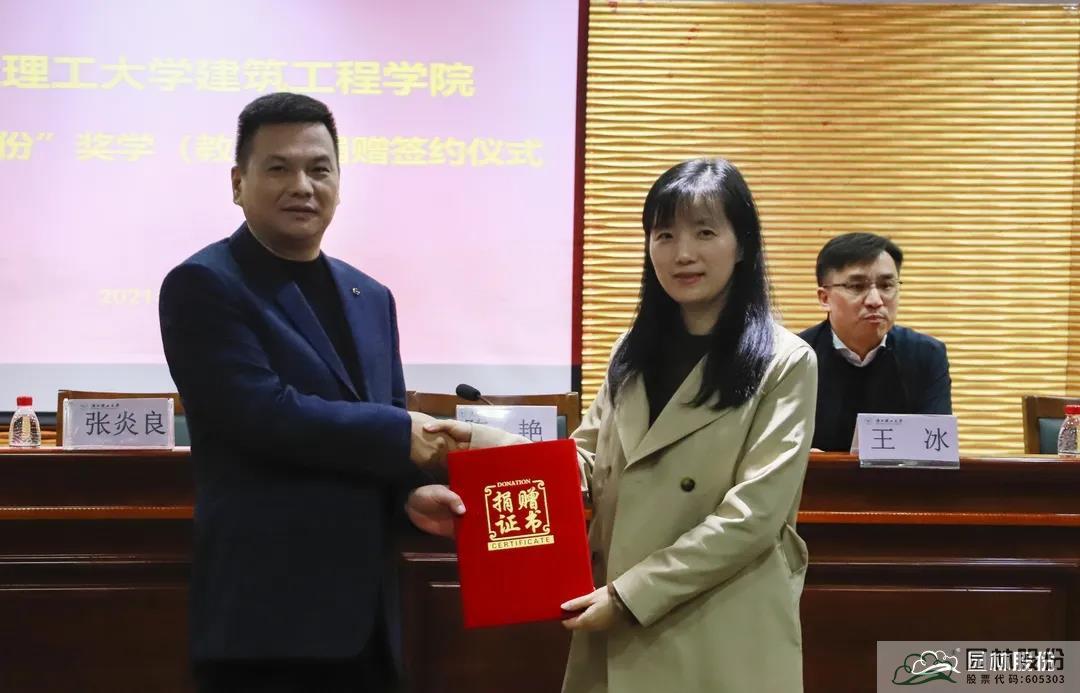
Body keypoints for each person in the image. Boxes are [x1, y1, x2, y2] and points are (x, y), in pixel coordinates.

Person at [427, 158, 817, 692]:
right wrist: (486, 443)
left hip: (715, 622)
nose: (682, 253)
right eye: (664, 234)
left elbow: (755, 516)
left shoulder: (785, 361)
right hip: (617, 615)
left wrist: (632, 595)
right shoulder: (632, 352)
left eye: (705, 232)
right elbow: (586, 465)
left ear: (743, 244)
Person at [158, 92, 464, 692]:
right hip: (264, 623)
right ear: (238, 183)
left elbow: (383, 415)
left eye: (319, 169)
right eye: (279, 168)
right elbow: (260, 414)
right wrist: (403, 435)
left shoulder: (370, 296)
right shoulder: (203, 284)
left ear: (339, 184)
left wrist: (409, 494)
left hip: (370, 623)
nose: (302, 185)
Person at [798, 232, 951, 451]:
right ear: (825, 298)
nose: (875, 300)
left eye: (886, 286)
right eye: (857, 287)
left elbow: (936, 449)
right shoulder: (795, 357)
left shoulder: (926, 355)